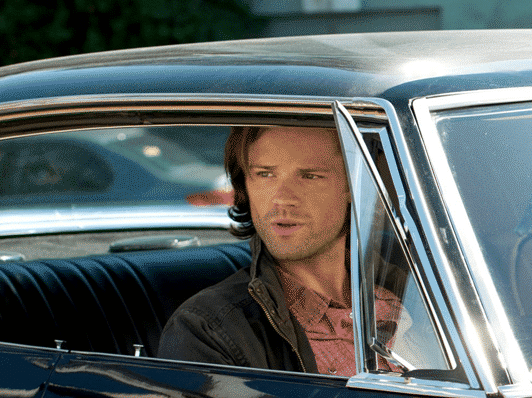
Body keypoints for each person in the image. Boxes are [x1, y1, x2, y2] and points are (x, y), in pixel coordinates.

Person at [159, 125, 399, 375]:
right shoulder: (208, 330)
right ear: (245, 185)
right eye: (265, 174)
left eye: (309, 176)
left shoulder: (412, 291)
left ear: (353, 185)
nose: (282, 198)